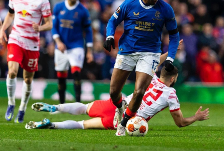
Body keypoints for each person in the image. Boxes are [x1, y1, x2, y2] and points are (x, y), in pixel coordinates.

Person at [25, 41, 209, 130]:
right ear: (174, 79)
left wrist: (170, 51)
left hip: (118, 104)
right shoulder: (171, 94)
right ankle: (53, 125)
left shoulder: (150, 77)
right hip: (126, 119)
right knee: (83, 125)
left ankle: (55, 107)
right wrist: (196, 117)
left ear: (160, 72)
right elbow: (180, 122)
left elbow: (155, 61)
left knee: (83, 108)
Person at [103, 0, 180, 136]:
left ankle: (123, 124)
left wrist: (170, 58)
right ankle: (120, 106)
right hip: (127, 51)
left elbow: (174, 34)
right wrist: (110, 36)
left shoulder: (166, 9)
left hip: (150, 53)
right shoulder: (129, 4)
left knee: (139, 91)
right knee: (114, 92)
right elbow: (112, 21)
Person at [0, 0, 52, 123]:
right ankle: (11, 104)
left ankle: (22, 108)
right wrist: (3, 29)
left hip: (32, 44)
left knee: (28, 80)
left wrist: (40, 28)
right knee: (12, 72)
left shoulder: (43, 0)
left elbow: (49, 24)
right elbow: (10, 14)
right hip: (16, 39)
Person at [52, 0, 93, 104]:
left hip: (76, 45)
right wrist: (58, 41)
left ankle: (78, 104)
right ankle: (61, 105)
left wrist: (89, 51)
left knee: (76, 73)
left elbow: (88, 31)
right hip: (61, 46)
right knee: (61, 76)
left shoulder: (83, 11)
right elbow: (54, 27)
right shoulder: (58, 7)